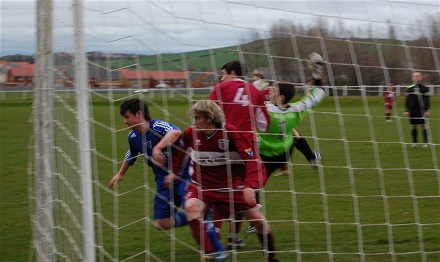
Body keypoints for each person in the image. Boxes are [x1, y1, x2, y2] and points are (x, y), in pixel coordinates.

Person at [166, 100, 278, 262]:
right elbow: (180, 153)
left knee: (259, 221)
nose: (194, 122)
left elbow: (252, 160)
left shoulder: (231, 134)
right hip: (203, 186)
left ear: (210, 118)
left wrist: (250, 186)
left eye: (197, 118)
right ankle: (214, 254)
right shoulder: (191, 133)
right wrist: (174, 173)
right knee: (191, 208)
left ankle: (271, 258)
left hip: (232, 186)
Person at [108, 98, 191, 230]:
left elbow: (176, 132)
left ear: (139, 114)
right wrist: (120, 174)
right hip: (163, 182)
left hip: (183, 176)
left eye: (127, 117)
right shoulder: (133, 137)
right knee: (161, 223)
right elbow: (131, 154)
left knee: (192, 208)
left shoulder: (158, 126)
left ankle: (201, 215)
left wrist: (157, 148)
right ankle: (201, 215)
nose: (125, 122)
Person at [404, 72, 431, 148]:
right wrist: (406, 110)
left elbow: (427, 100)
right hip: (413, 110)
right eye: (415, 76)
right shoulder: (409, 88)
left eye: (418, 76)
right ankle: (415, 143)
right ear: (412, 78)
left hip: (422, 110)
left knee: (424, 125)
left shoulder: (424, 88)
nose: (416, 77)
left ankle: (425, 143)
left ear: (421, 77)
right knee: (413, 126)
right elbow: (407, 100)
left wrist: (427, 110)